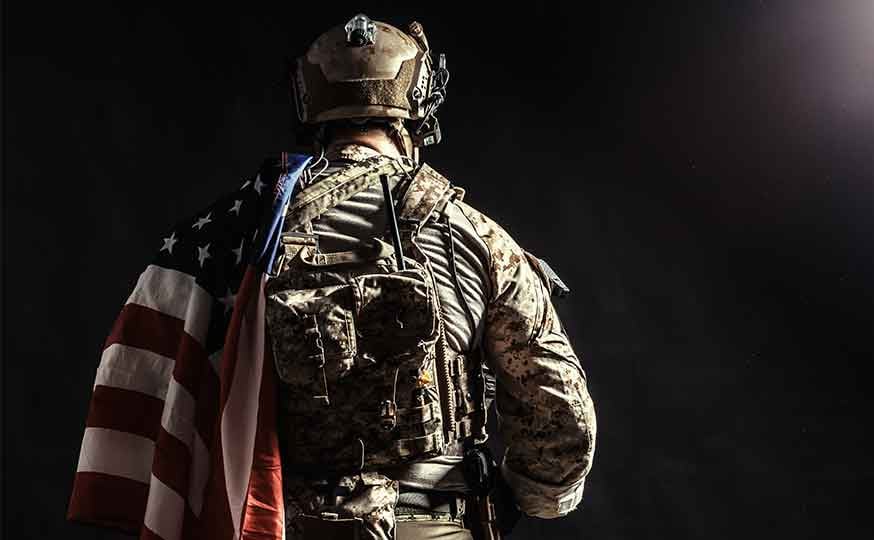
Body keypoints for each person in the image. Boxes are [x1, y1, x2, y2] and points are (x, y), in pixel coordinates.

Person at [67, 14, 596, 540]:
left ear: (310, 103)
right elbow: (560, 412)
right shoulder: (475, 237)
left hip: (277, 525)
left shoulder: (247, 229)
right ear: (415, 101)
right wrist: (530, 496)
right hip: (434, 524)